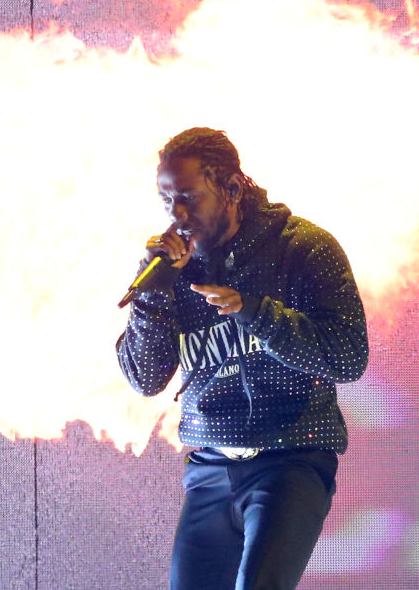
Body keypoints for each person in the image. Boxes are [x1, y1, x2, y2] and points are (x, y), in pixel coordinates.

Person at [116, 127, 369, 590]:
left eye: (189, 197)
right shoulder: (174, 271)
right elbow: (145, 379)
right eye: (167, 200)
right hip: (210, 467)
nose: (178, 215)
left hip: (289, 460)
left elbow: (348, 357)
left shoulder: (303, 248)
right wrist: (151, 295)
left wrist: (253, 312)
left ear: (231, 190)